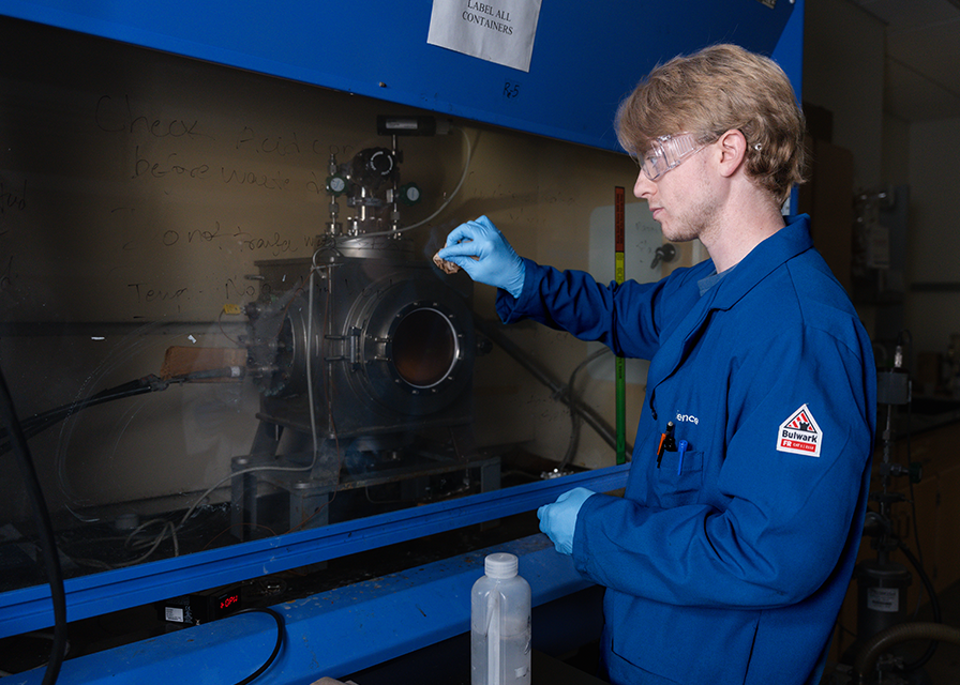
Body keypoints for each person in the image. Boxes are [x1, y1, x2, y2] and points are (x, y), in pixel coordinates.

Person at [436, 44, 877, 685]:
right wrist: (520, 277)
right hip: (646, 652)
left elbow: (768, 556)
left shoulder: (802, 334)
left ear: (727, 152)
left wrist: (596, 530)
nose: (642, 184)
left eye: (657, 158)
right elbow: (620, 313)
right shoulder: (706, 288)